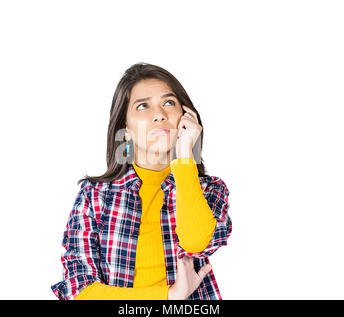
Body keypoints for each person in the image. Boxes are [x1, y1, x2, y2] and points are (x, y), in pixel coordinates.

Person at [50, 62, 232, 300]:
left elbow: (196, 242)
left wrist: (185, 155)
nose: (159, 114)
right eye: (143, 106)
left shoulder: (208, 190)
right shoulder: (94, 195)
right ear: (125, 130)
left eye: (169, 103)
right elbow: (81, 292)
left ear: (187, 118)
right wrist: (169, 296)